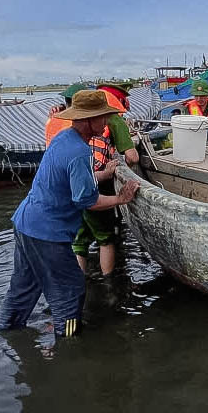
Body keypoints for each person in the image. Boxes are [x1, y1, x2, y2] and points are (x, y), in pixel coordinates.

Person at [0, 90, 138, 337]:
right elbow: (87, 200)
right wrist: (120, 198)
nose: (106, 122)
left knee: (24, 287)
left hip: (25, 223)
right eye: (102, 117)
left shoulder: (64, 139)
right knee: (71, 289)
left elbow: (71, 180)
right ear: (86, 120)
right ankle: (68, 341)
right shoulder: (80, 152)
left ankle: (6, 330)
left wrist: (103, 174)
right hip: (47, 233)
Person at [45, 84, 142, 278]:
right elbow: (132, 157)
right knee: (106, 238)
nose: (106, 118)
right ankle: (108, 283)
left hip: (65, 195)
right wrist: (119, 194)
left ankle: (81, 283)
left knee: (79, 241)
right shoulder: (111, 125)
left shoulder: (57, 126)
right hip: (96, 188)